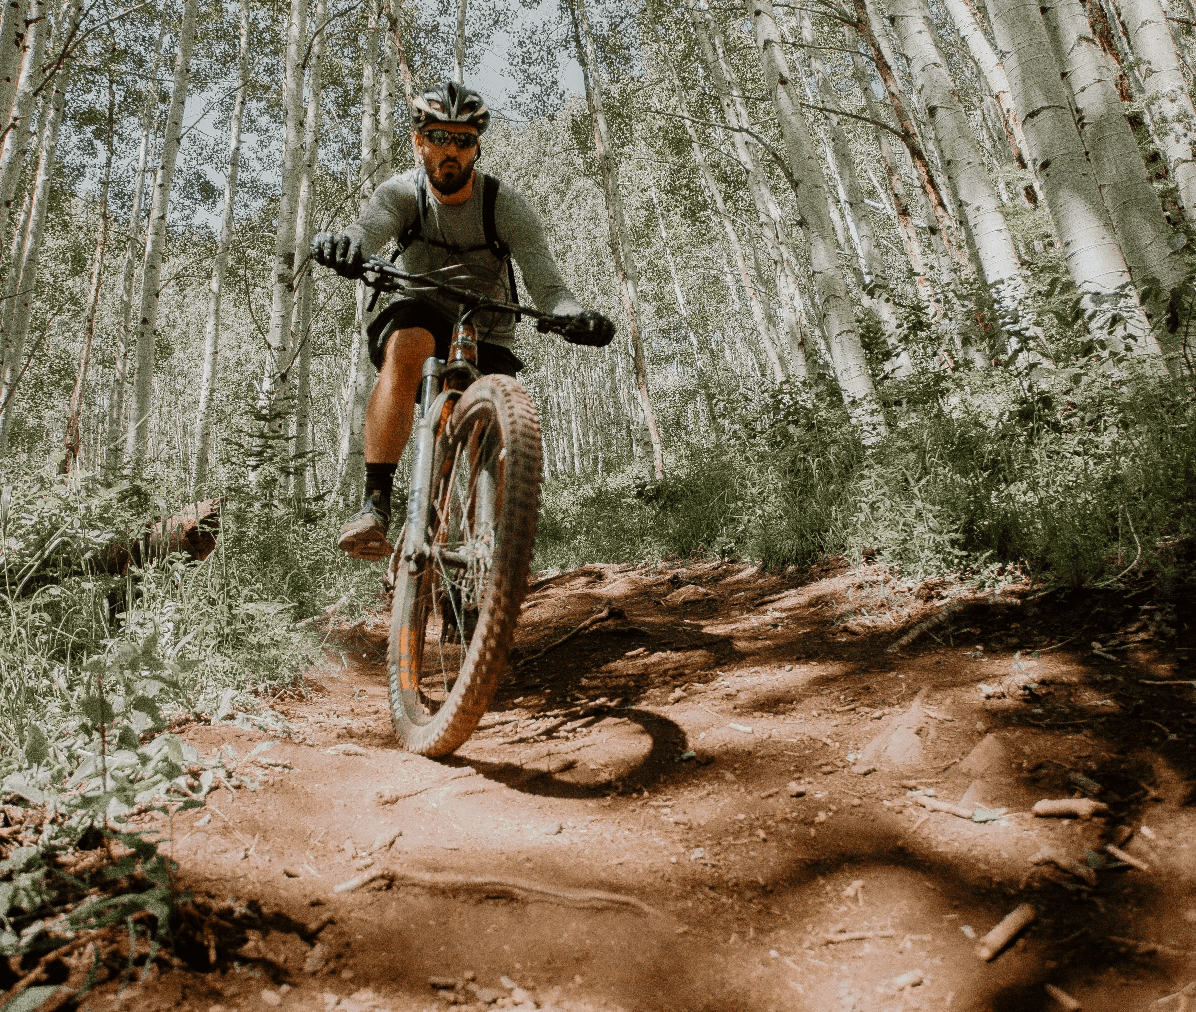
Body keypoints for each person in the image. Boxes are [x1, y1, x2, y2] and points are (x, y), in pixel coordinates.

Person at [313, 79, 615, 560]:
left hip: (486, 327)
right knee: (409, 341)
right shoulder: (402, 193)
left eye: (463, 140)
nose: (450, 150)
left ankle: (486, 558)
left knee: (496, 431)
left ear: (477, 147)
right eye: (438, 137)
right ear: (418, 142)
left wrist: (574, 316)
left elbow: (550, 287)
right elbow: (369, 226)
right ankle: (375, 503)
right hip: (421, 310)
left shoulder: (505, 205)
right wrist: (349, 243)